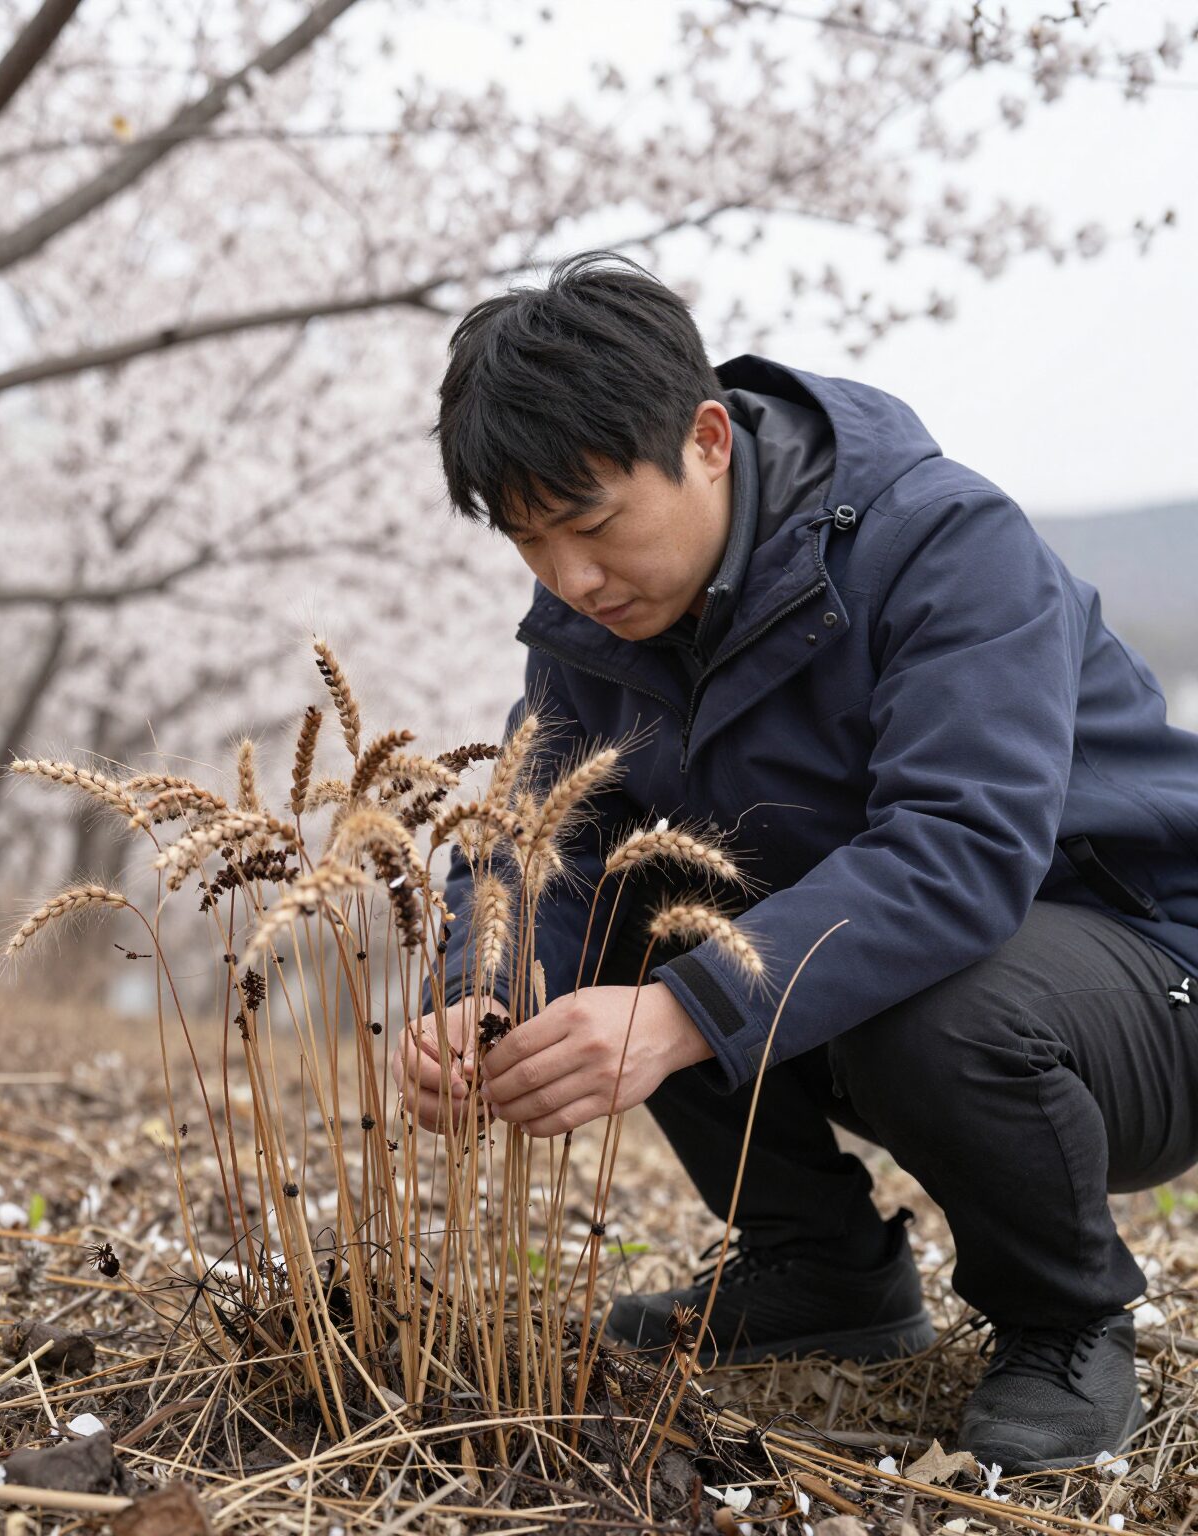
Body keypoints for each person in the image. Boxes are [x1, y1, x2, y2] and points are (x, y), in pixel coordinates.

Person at [389, 252, 1198, 1473]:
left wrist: (676, 1017)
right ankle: (819, 1269)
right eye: (529, 541)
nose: (570, 580)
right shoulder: (595, 625)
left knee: (933, 996)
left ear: (707, 439)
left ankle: (1066, 1319)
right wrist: (484, 992)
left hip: (1140, 984)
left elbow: (961, 855)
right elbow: (536, 842)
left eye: (594, 524)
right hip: (890, 994)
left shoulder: (945, 542)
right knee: (634, 893)